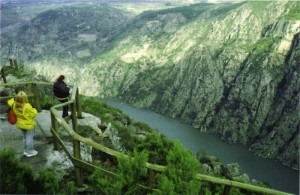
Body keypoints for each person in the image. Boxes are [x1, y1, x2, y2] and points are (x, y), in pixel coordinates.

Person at [7, 91, 38, 157]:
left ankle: (25, 150)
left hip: (20, 125)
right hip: (28, 125)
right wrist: (34, 109)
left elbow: (9, 101)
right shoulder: (27, 106)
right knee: (29, 138)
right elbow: (34, 114)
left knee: (24, 137)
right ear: (25, 98)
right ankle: (29, 152)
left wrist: (14, 98)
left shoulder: (13, 104)